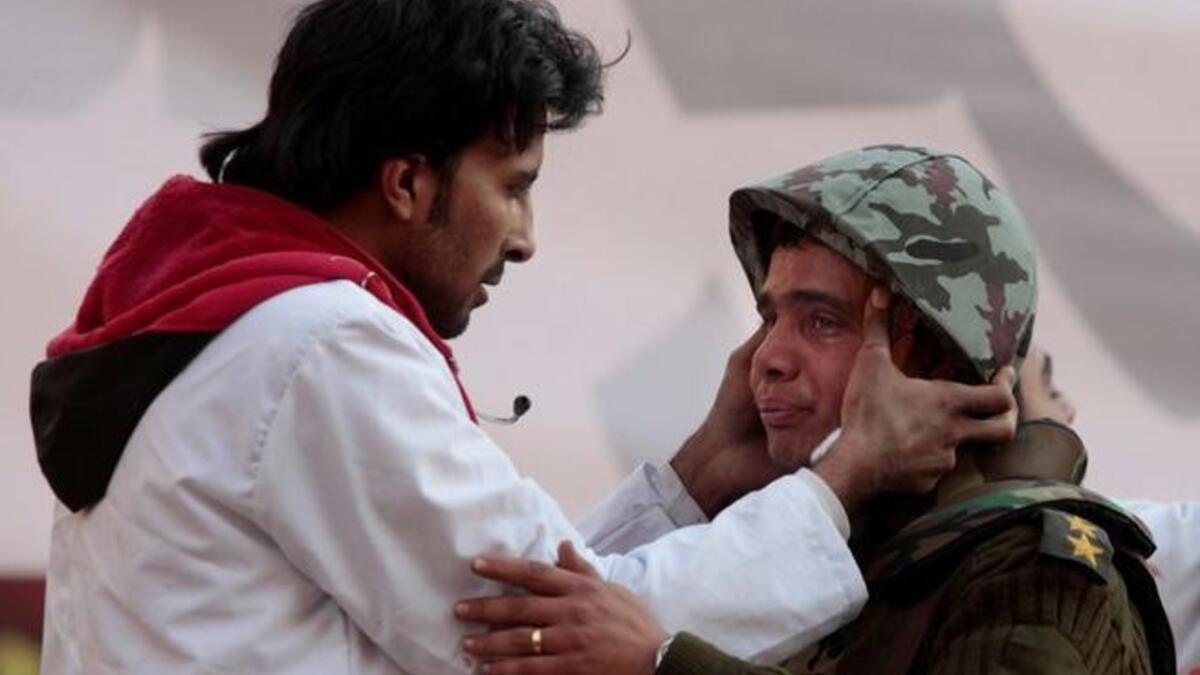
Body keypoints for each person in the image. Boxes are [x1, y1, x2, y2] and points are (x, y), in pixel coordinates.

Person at [28, 5, 1020, 674]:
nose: (526, 239)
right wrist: (839, 486)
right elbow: (544, 643)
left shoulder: (242, 323)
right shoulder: (319, 346)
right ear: (408, 183)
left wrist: (698, 477)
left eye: (822, 319)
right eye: (513, 186)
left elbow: (530, 603)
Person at [454, 146, 1175, 674]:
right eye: (771, 316)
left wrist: (664, 664)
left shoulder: (1035, 575)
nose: (767, 355)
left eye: (821, 321)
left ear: (930, 355)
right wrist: (705, 473)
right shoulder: (844, 552)